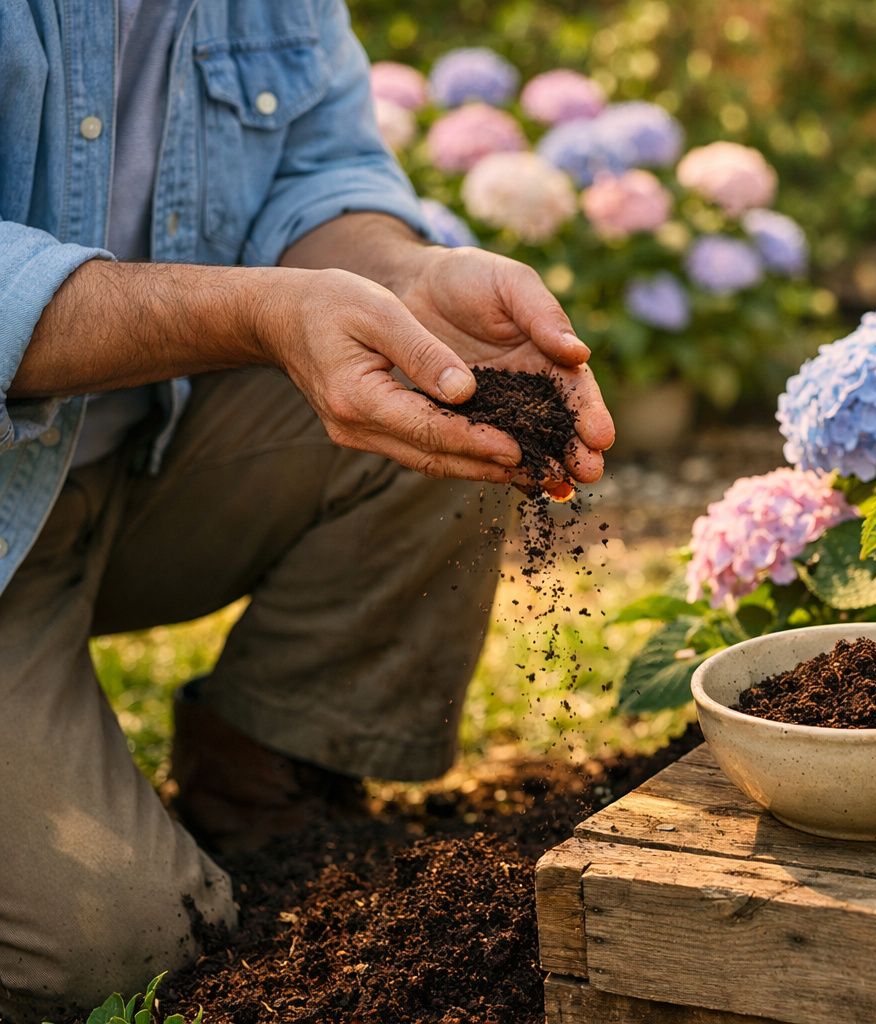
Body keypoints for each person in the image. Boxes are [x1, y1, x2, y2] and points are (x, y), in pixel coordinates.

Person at [0, 1, 615, 1018]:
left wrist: (408, 277)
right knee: (116, 956)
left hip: (139, 457)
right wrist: (257, 312)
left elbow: (320, 176)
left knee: (440, 424)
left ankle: (272, 809)